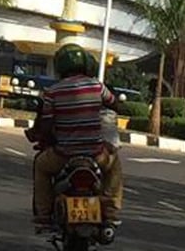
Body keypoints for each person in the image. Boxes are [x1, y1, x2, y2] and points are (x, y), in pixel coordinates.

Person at [26, 44, 123, 231]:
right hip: (96, 154)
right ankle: (111, 211)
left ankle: (44, 214)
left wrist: (43, 138)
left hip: (64, 154)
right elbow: (115, 105)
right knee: (114, 166)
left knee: (41, 166)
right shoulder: (97, 86)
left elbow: (46, 124)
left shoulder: (52, 92)